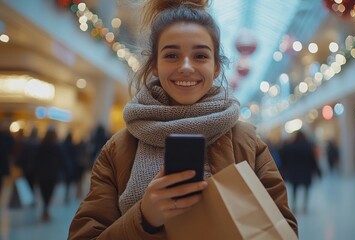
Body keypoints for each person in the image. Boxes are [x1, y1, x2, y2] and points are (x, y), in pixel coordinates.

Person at [68, 0, 298, 239]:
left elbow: (284, 229)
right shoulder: (118, 149)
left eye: (200, 56)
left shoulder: (247, 142)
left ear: (216, 67)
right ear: (155, 65)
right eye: (171, 55)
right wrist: (143, 217)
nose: (186, 67)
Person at [279, 130, 321, 214]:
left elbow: (284, 159)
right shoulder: (308, 147)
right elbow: (312, 160)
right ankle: (304, 207)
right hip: (306, 172)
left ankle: (294, 206)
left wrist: (283, 169)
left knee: (294, 189)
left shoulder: (290, 146)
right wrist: (318, 171)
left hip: (294, 172)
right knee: (306, 189)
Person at [34, 127, 69, 221]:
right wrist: (66, 170)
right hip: (53, 173)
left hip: (42, 174)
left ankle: (45, 208)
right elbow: (63, 160)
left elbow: (36, 160)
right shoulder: (57, 146)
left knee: (43, 191)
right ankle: (46, 208)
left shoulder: (41, 145)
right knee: (49, 192)